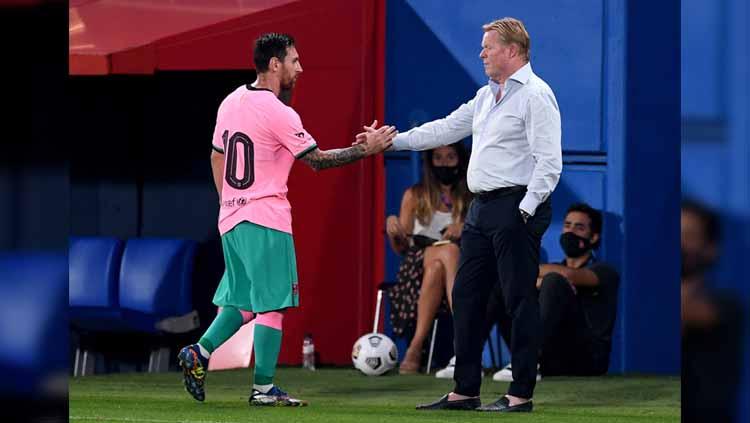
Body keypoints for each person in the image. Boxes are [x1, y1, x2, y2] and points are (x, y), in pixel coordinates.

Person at [177, 33, 396, 407]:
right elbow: (317, 160)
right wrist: (367, 149)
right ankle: (263, 389)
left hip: (231, 218)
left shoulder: (231, 101)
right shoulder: (278, 111)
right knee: (273, 305)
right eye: (294, 60)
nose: (300, 67)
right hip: (265, 216)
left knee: (244, 301)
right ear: (275, 64)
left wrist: (230, 202)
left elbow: (216, 157)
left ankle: (200, 351)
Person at [376, 17, 562, 412]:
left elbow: (549, 164)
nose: (481, 53)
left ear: (511, 51)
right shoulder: (485, 96)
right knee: (466, 295)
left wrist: (525, 211)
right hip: (480, 209)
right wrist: (392, 141)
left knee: (518, 299)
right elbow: (443, 130)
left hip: (516, 207)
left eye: (488, 47)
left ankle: (521, 394)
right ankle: (465, 390)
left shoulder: (536, 95)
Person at [488, 203, 619, 382]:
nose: (570, 232)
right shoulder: (552, 269)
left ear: (594, 237)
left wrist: (535, 277)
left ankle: (527, 360)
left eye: (579, 227)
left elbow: (567, 275)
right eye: (567, 225)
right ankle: (466, 358)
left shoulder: (605, 272)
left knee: (553, 281)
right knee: (503, 287)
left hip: (586, 360)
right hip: (551, 358)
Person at [384, 143, 472, 374]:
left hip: (455, 268)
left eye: (450, 157)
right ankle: (466, 342)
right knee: (446, 252)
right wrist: (393, 228)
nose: (444, 163)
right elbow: (401, 248)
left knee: (440, 263)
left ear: (460, 160)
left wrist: (465, 228)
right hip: (415, 267)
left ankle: (414, 348)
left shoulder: (472, 197)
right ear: (430, 162)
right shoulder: (415, 195)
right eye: (438, 157)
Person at [681, 199, 744, 423]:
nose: (680, 242)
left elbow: (691, 313)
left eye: (689, 235)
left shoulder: (725, 307)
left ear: (710, 249)